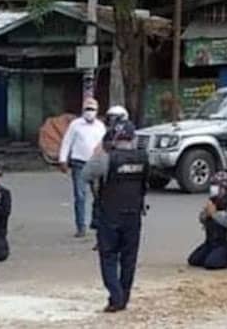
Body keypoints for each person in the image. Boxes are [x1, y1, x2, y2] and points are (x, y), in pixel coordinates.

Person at [87, 119, 148, 312]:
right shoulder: (143, 157)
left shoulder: (107, 158)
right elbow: (145, 183)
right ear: (133, 138)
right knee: (129, 258)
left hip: (110, 215)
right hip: (133, 214)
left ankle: (116, 296)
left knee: (108, 256)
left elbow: (86, 175)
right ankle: (124, 296)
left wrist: (97, 153)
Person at [58, 97, 106, 238]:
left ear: (97, 111)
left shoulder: (100, 126)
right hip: (79, 163)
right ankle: (81, 226)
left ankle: (96, 221)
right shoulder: (75, 125)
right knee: (80, 196)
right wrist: (63, 159)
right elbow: (67, 142)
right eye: (87, 109)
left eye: (92, 109)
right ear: (82, 110)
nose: (89, 112)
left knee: (99, 195)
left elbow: (104, 145)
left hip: (96, 163)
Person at [188, 171, 227, 270]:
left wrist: (214, 214)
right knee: (193, 260)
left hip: (225, 244)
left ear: (223, 188)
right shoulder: (213, 200)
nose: (213, 189)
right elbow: (202, 218)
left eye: (216, 186)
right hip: (211, 241)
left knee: (211, 264)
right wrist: (206, 214)